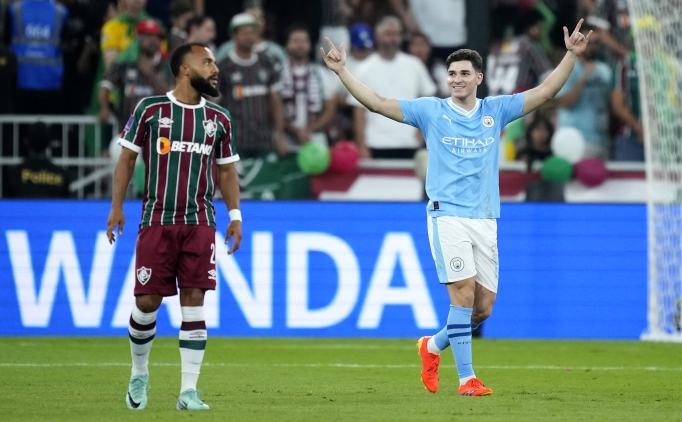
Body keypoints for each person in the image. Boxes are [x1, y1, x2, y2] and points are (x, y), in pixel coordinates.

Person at [320, 19, 592, 396]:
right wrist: (342, 72)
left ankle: (432, 346)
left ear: (479, 78)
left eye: (464, 73)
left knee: (482, 309)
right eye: (452, 74)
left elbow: (546, 92)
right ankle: (467, 379)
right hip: (446, 214)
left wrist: (571, 55)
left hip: (485, 218)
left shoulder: (496, 110)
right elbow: (378, 103)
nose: (457, 79)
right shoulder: (431, 111)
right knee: (462, 293)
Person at [105, 42, 243, 411]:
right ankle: (139, 372)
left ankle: (188, 391)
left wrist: (235, 215)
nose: (215, 68)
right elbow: (127, 159)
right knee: (147, 302)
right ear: (184, 69)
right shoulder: (150, 109)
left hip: (200, 221)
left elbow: (226, 171)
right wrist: (117, 207)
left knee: (194, 300)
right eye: (207, 62)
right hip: (157, 220)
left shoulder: (219, 119)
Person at [349, 16, 436, 159]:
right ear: (377, 37)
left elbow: (429, 99)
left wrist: (423, 129)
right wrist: (361, 143)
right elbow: (359, 111)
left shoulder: (414, 65)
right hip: (375, 143)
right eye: (388, 34)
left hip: (409, 142)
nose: (393, 39)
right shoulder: (364, 69)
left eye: (396, 34)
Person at [217, 13, 286, 158]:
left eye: (252, 33)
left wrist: (279, 135)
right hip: (234, 140)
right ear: (234, 36)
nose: (249, 37)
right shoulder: (224, 67)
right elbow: (214, 104)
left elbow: (275, 102)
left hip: (264, 141)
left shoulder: (266, 62)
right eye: (245, 33)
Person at [99, 19, 174, 132]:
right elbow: (105, 86)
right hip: (127, 129)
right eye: (147, 36)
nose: (152, 41)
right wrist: (104, 108)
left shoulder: (167, 65)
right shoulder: (124, 64)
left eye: (156, 37)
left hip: (157, 131)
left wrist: (150, 74)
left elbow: (168, 95)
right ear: (138, 38)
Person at [556, 25, 611, 159]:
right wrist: (584, 78)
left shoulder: (605, 70)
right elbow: (564, 103)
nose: (592, 46)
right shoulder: (567, 68)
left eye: (596, 43)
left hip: (601, 138)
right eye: (587, 42)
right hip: (574, 138)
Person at [4, 0, 68, 115]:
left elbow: (5, 43)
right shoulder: (61, 11)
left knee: (19, 124)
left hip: (20, 79)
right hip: (51, 81)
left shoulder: (14, 9)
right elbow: (65, 44)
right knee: (49, 124)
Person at [281, 23, 336, 150]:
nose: (300, 45)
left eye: (304, 41)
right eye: (295, 41)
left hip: (315, 138)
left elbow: (330, 109)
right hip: (285, 139)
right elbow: (273, 107)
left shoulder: (322, 74)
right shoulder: (278, 73)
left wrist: (309, 130)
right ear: (286, 45)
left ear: (310, 45)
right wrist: (294, 131)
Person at [486, 8, 553, 97]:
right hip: (517, 101)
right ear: (532, 29)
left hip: (492, 100)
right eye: (541, 27)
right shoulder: (529, 46)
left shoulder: (499, 47)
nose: (543, 33)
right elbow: (548, 77)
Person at [3, 122, 70, 198]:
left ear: (26, 142)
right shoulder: (62, 175)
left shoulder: (13, 174)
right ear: (49, 144)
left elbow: (5, 203)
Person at [214, 7, 287, 73]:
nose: (253, 21)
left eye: (257, 18)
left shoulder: (276, 51)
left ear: (264, 22)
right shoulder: (226, 50)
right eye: (248, 18)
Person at [611, 50, 643, 161]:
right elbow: (617, 105)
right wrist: (640, 129)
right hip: (629, 139)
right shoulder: (625, 64)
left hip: (661, 141)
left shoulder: (666, 63)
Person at [408, 32, 448, 98]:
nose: (419, 50)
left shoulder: (438, 68)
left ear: (430, 48)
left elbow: (447, 90)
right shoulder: (403, 67)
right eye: (416, 45)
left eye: (422, 45)